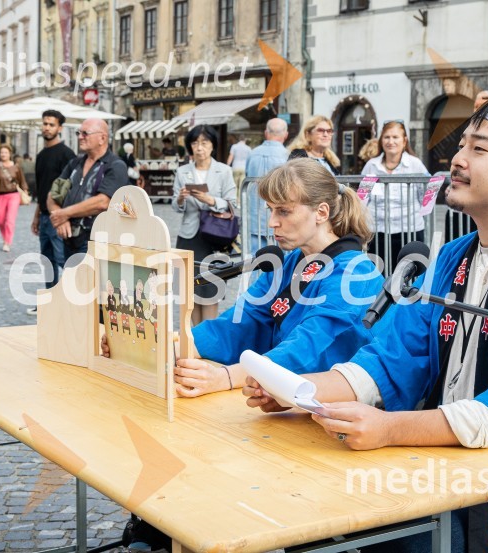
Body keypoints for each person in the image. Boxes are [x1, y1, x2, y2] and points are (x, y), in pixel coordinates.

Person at [245, 94, 488, 553]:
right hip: (449, 463)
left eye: (479, 149)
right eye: (462, 145)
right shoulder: (453, 256)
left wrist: (391, 429)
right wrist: (300, 390)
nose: (456, 159)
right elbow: (391, 357)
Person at [103, 158, 384, 551]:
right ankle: (156, 534)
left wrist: (226, 377)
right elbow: (240, 322)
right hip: (271, 406)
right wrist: (164, 343)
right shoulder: (288, 263)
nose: (272, 223)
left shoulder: (357, 272)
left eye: (283, 211)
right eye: (271, 211)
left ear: (322, 213)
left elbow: (308, 348)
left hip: (319, 423)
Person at [171, 125, 237, 324]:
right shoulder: (182, 172)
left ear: (212, 146)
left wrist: (210, 200)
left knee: (211, 287)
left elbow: (232, 203)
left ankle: (206, 339)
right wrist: (181, 199)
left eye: (204, 143)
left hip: (215, 236)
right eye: (195, 143)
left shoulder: (224, 171)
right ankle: (192, 338)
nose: (199, 148)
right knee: (189, 288)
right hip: (189, 236)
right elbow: (175, 205)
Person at [48, 118, 129, 261]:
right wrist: (60, 219)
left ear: (102, 138)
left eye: (85, 133)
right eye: (79, 133)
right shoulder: (75, 163)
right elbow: (52, 195)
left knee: (92, 282)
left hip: (96, 241)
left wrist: (64, 214)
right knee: (71, 282)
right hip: (69, 238)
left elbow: (102, 202)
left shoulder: (115, 165)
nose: (80, 137)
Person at [361, 120, 430, 272]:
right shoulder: (371, 165)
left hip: (409, 230)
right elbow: (363, 198)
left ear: (404, 140)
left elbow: (424, 194)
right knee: (379, 274)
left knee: (408, 276)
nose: (390, 141)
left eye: (395, 137)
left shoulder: (415, 164)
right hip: (377, 231)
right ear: (381, 140)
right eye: (386, 137)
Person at [29, 110, 75, 315]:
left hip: (60, 218)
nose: (47, 127)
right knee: (46, 261)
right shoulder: (40, 156)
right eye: (45, 124)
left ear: (60, 128)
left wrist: (64, 215)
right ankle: (50, 302)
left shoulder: (67, 155)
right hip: (45, 216)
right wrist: (37, 215)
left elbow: (72, 189)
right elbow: (41, 189)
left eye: (51, 124)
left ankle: (69, 302)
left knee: (62, 260)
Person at [244, 118, 289, 252]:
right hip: (279, 219)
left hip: (254, 218)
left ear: (266, 133)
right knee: (281, 261)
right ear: (285, 135)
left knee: (255, 260)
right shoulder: (288, 155)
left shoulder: (252, 154)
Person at [0, 143, 29, 252]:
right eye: (1, 152)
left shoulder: (16, 167)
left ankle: (7, 242)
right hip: (0, 196)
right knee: (1, 221)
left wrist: (25, 193)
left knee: (9, 220)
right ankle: (5, 238)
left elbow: (22, 181)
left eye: (5, 152)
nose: (3, 154)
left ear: (10, 154)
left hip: (13, 195)